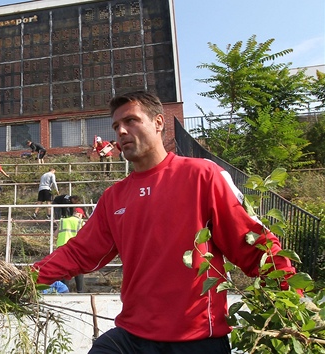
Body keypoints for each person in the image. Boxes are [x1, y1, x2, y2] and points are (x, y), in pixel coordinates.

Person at [33, 91, 298, 353]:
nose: (121, 132)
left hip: (195, 339)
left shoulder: (203, 176)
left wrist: (289, 306)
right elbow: (79, 252)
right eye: (116, 126)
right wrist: (27, 279)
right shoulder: (113, 198)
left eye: (131, 121)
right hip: (132, 335)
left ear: (159, 122)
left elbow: (252, 245)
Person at [56, 208, 86, 293]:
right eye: (81, 216)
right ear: (79, 214)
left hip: (61, 248)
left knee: (64, 270)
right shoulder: (81, 223)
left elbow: (55, 234)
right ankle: (80, 291)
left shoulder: (62, 221)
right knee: (78, 269)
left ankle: (64, 291)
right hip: (75, 249)